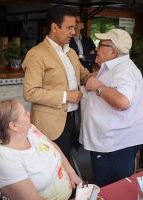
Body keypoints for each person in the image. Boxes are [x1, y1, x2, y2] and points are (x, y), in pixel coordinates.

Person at [80, 29, 143, 187]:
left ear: (113, 52)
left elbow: (123, 101)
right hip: (111, 143)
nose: (96, 48)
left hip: (114, 145)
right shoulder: (115, 68)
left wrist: (98, 87)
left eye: (101, 44)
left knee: (112, 190)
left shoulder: (124, 71)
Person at [22, 6, 90, 159]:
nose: (74, 32)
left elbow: (83, 74)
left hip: (73, 118)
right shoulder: (36, 54)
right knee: (53, 167)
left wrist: (105, 75)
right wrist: (66, 96)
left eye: (75, 27)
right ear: (54, 27)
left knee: (67, 163)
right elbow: (30, 92)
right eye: (69, 28)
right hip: (51, 123)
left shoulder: (70, 52)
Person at [0, 99, 81, 200]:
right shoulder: (5, 160)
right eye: (24, 113)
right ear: (14, 126)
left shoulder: (29, 130)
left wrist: (71, 172)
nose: (29, 113)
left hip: (69, 193)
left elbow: (52, 146)